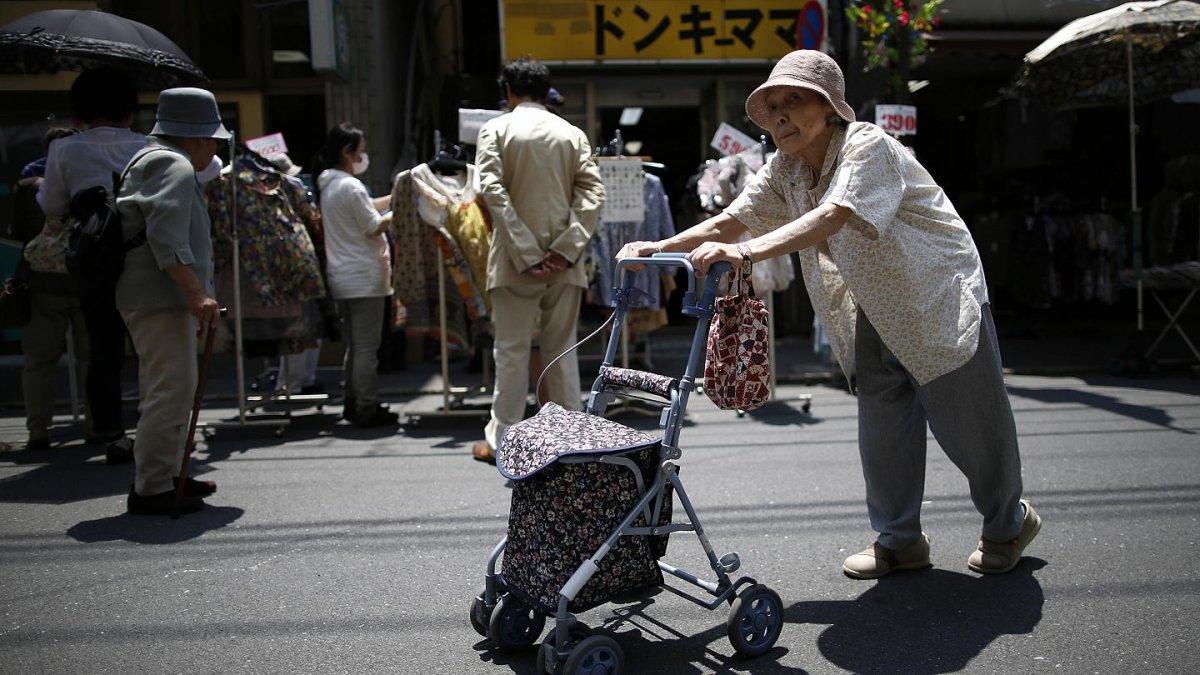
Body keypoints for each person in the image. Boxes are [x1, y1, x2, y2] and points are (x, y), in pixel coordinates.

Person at [618, 50, 1040, 577]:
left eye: (794, 100)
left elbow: (835, 215)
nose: (781, 116)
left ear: (831, 107)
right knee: (883, 426)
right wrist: (659, 247)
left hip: (935, 293)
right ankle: (899, 541)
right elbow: (733, 219)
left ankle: (1008, 523)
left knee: (968, 422)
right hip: (872, 302)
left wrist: (748, 253)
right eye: (772, 107)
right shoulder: (787, 166)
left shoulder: (868, 145)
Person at [473, 57, 606, 463]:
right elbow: (592, 195)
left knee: (511, 351)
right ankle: (570, 440)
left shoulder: (495, 128)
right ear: (546, 91)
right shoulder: (571, 133)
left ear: (509, 92)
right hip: (565, 263)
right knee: (561, 350)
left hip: (514, 262)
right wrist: (564, 249)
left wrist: (527, 252)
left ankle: (504, 443)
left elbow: (490, 191)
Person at [115, 87, 226, 516]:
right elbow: (166, 236)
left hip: (155, 297)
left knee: (171, 388)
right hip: (160, 298)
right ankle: (151, 488)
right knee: (172, 390)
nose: (215, 148)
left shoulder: (150, 159)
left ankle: (169, 474)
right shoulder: (173, 165)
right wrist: (196, 293)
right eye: (213, 139)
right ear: (196, 137)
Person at [37, 67, 146, 464]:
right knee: (153, 347)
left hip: (96, 260)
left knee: (104, 349)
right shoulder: (150, 146)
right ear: (129, 109)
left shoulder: (65, 149)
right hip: (147, 257)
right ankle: (153, 427)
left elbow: (51, 207)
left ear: (80, 110)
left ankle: (112, 433)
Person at [314, 123, 397, 427]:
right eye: (360, 150)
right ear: (347, 152)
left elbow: (364, 211)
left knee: (354, 346)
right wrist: (402, 210)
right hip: (364, 277)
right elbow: (373, 225)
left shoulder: (331, 185)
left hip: (343, 277)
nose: (363, 156)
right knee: (366, 348)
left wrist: (392, 198)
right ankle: (366, 406)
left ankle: (352, 401)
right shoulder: (350, 186)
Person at [16, 127, 92, 451]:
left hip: (42, 282)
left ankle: (38, 429)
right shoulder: (88, 177)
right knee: (91, 359)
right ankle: (96, 424)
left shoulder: (29, 185)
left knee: (38, 361)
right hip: (86, 281)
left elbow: (17, 230)